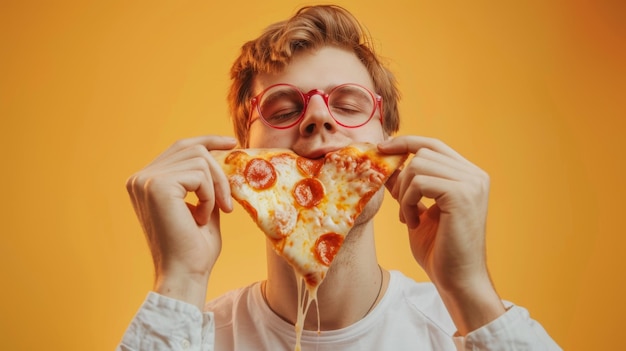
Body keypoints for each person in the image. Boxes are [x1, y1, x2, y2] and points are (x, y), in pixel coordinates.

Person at [119, 5, 560, 350]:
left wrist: (469, 289)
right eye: (283, 108)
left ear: (389, 147)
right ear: (243, 158)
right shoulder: (186, 334)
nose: (316, 117)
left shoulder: (466, 328)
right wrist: (181, 281)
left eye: (349, 105)